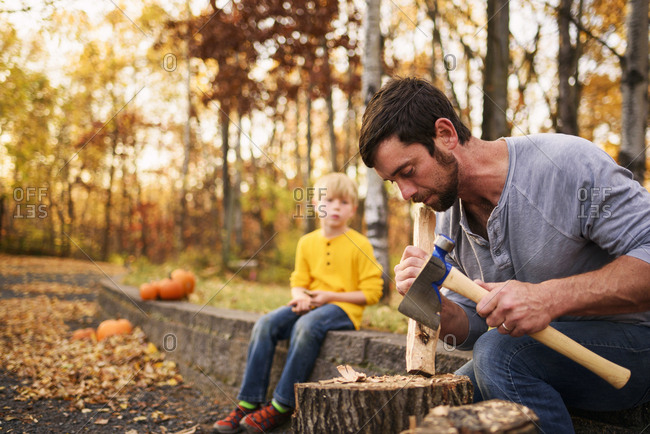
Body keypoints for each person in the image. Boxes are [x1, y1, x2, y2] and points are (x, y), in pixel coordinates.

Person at [358, 76, 650, 433]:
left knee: (499, 354)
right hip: (536, 357)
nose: (404, 193)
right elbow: (476, 325)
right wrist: (440, 309)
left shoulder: (567, 165)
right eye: (394, 182)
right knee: (443, 402)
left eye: (408, 172)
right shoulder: (448, 216)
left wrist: (548, 298)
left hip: (631, 351)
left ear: (445, 135)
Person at [213, 172, 384, 433]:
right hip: (312, 304)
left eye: (344, 202)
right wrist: (300, 296)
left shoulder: (360, 244)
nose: (336, 207)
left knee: (306, 326)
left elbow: (371, 293)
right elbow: (299, 280)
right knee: (265, 324)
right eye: (328, 200)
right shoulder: (306, 243)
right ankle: (249, 402)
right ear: (316, 204)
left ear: (353, 208)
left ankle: (282, 405)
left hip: (344, 309)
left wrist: (330, 297)